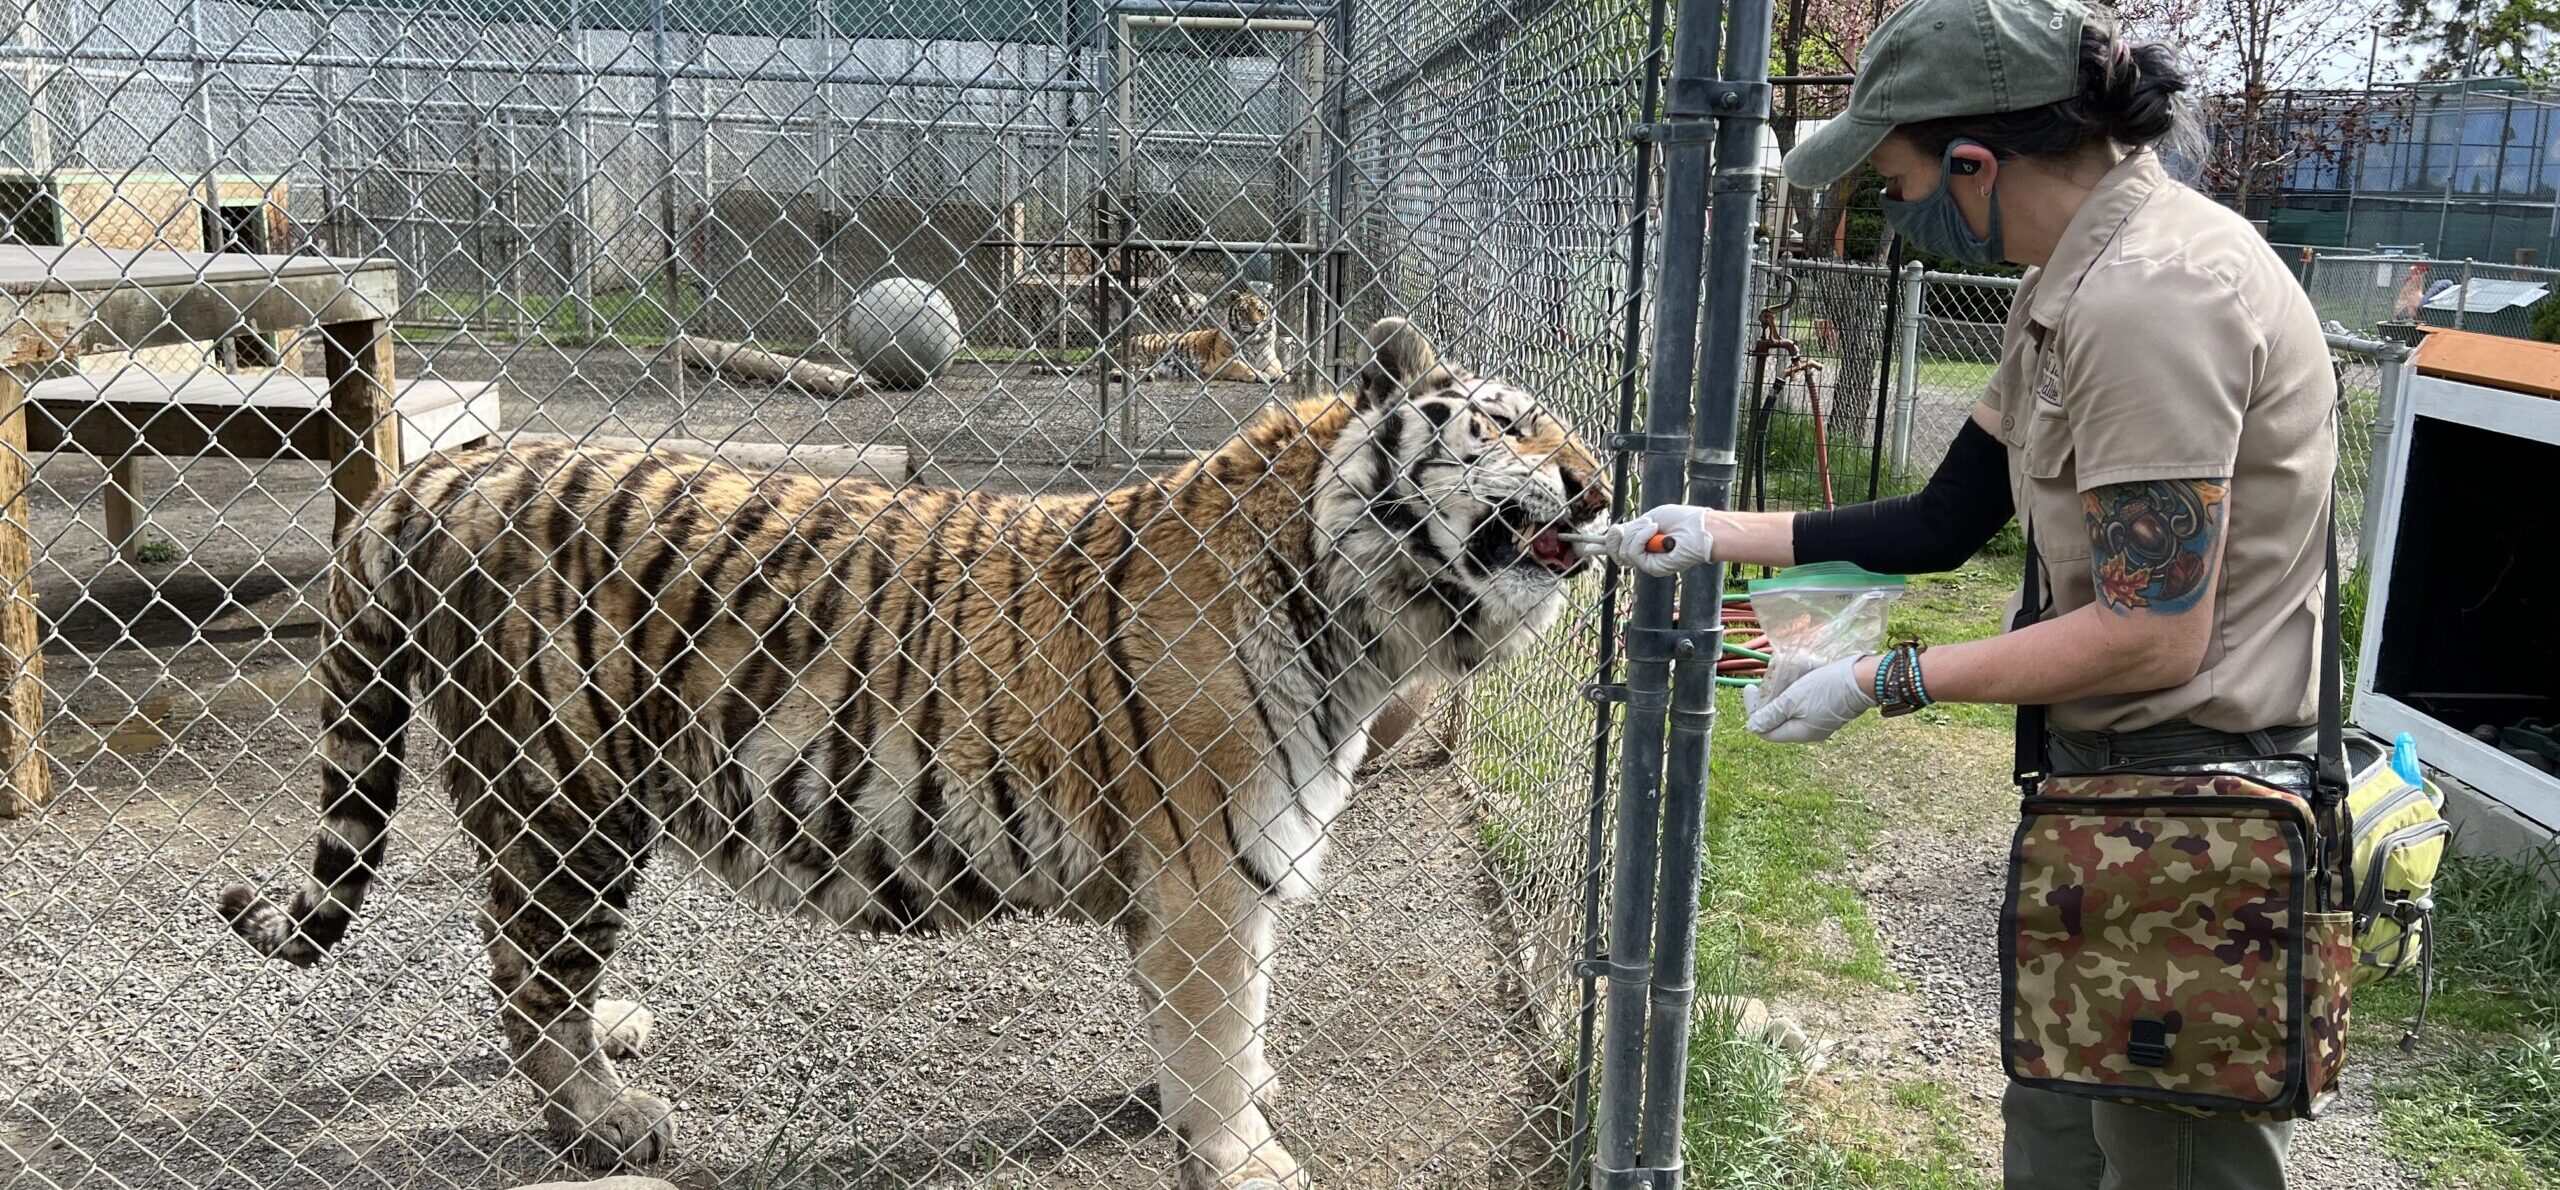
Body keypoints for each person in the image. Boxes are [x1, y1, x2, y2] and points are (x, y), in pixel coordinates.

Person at [1600, 0, 2340, 1187]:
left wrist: (1883, 677)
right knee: (2055, 1137)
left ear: (1972, 161)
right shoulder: (2068, 282)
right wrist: (1707, 532)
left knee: (2165, 1154)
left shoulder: (2154, 299)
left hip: (2192, 809)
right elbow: (1943, 521)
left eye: (1894, 184)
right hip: (2107, 799)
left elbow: (2150, 635)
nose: (1895, 217)